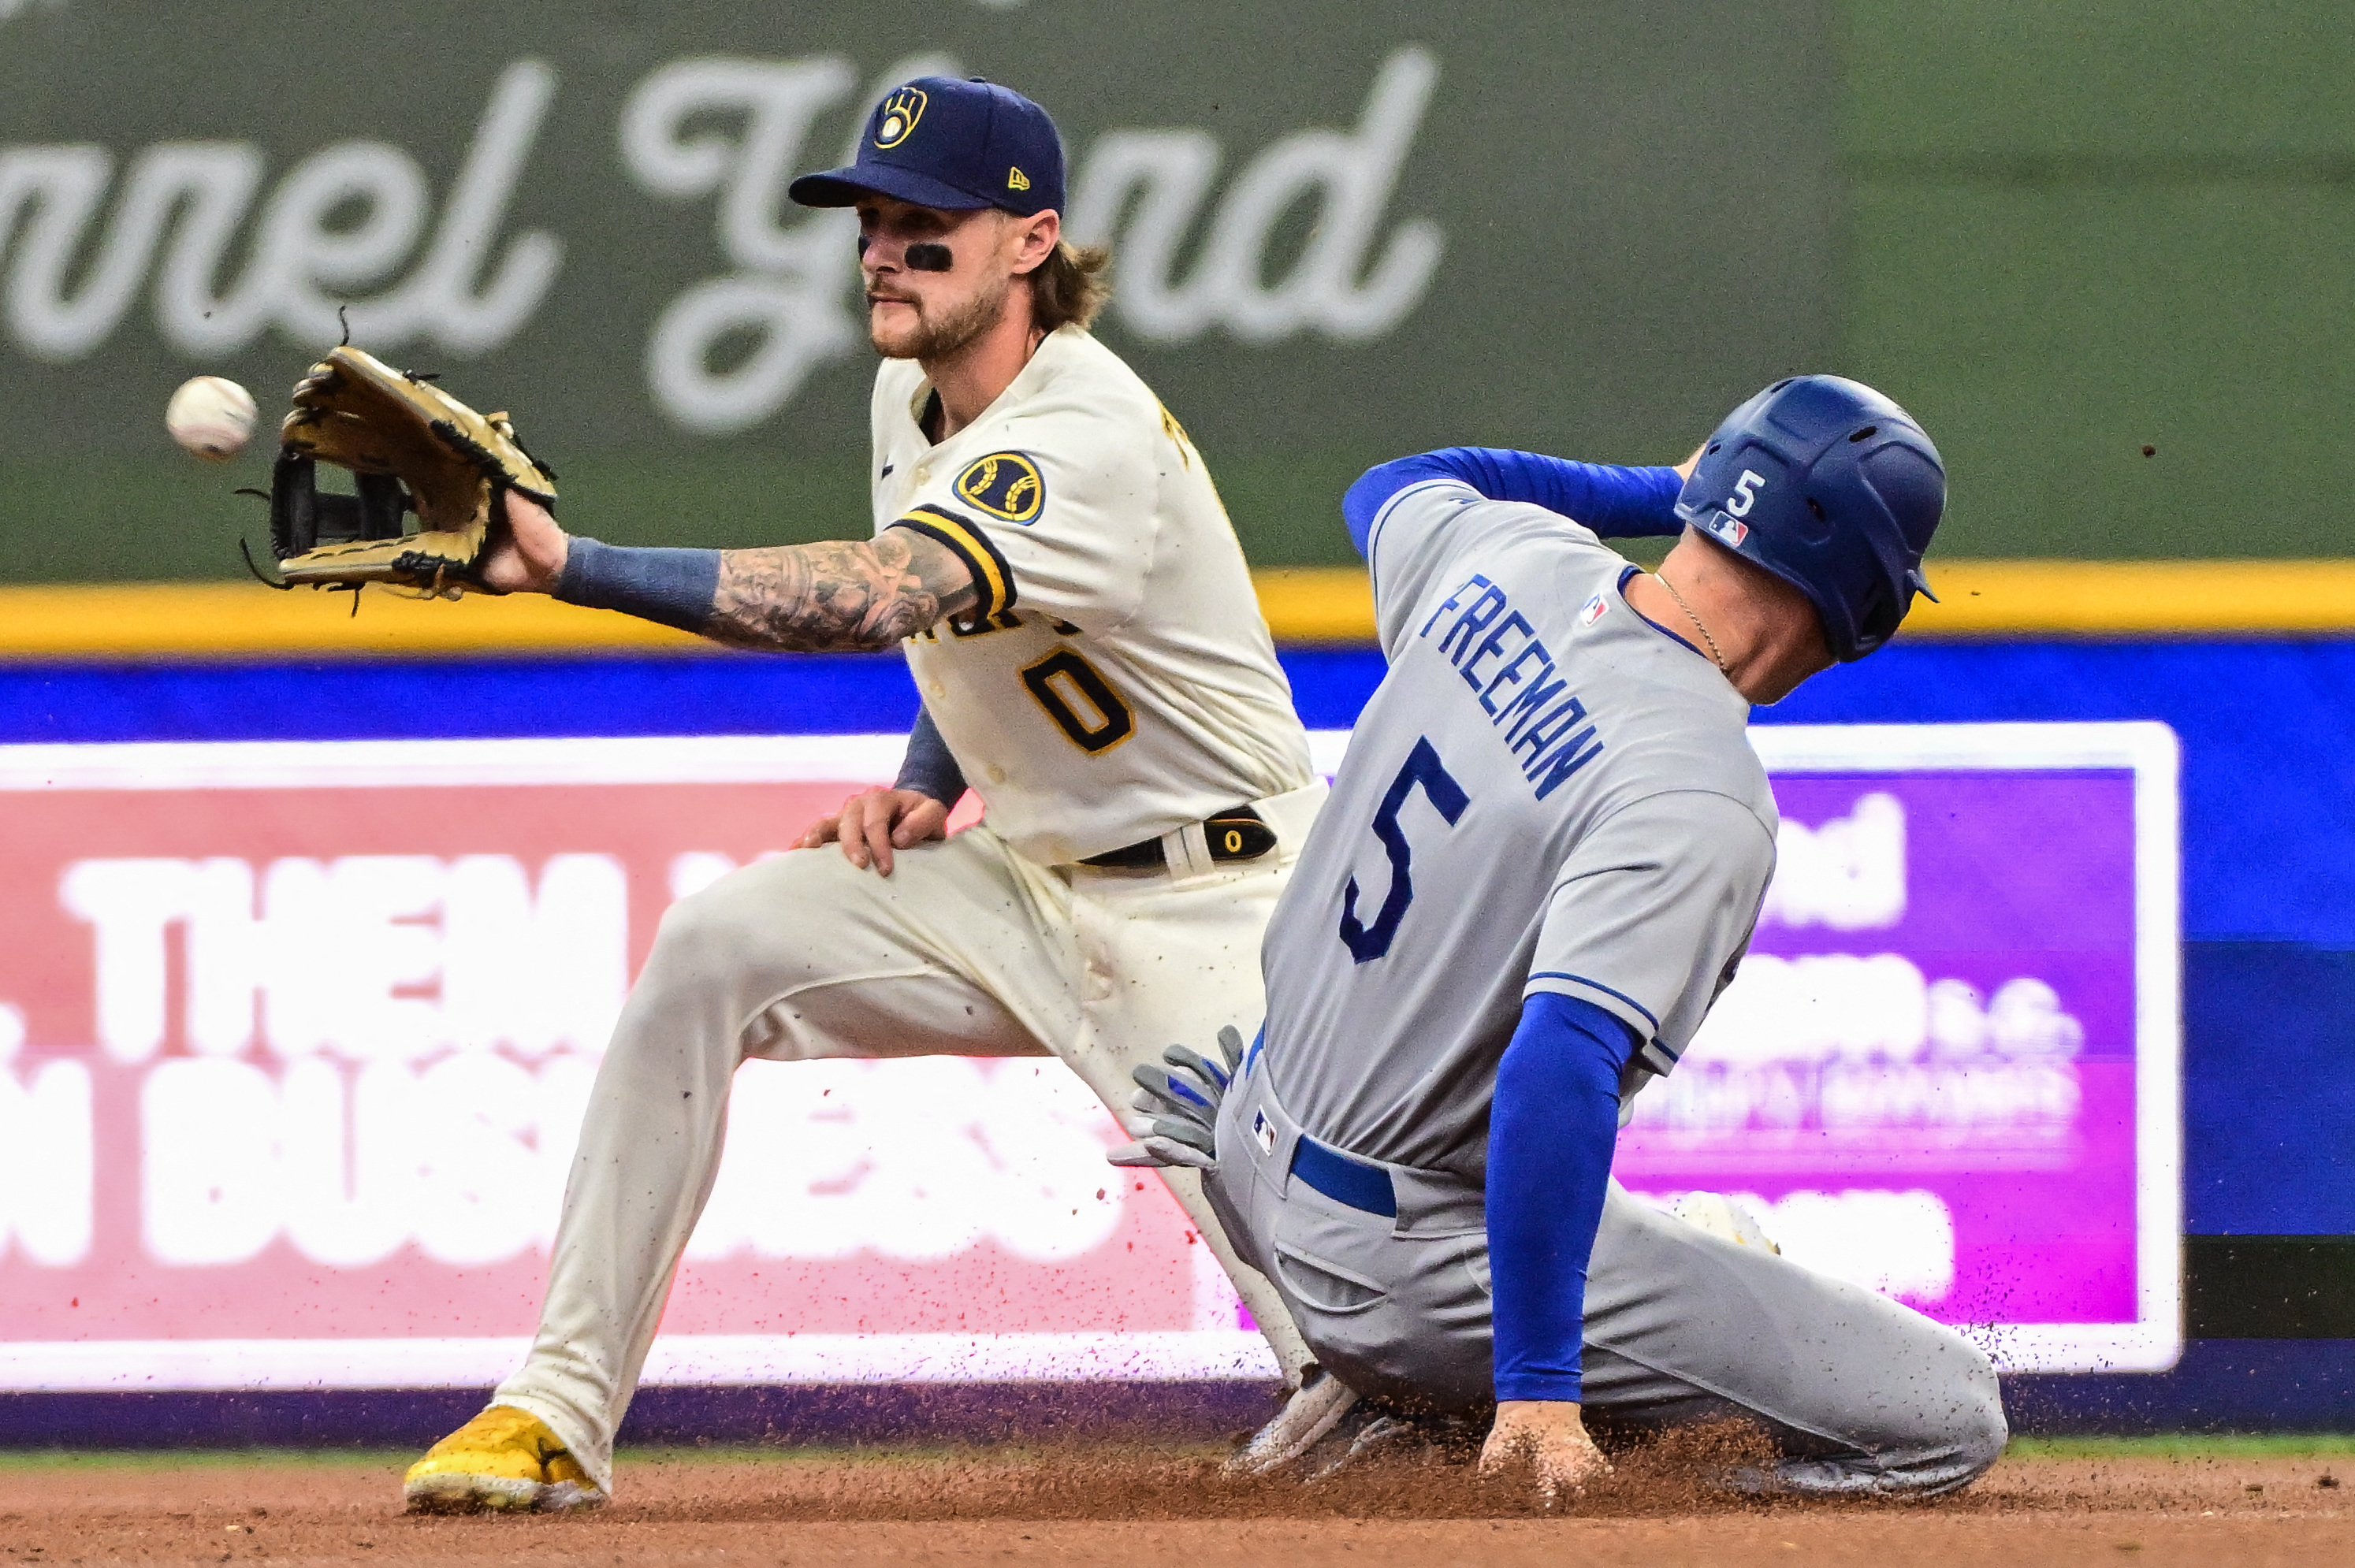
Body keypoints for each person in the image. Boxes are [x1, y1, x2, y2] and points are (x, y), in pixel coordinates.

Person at [400, 76, 1336, 1513]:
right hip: (1022, 881)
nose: (884, 252)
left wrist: (569, 565)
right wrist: (923, 783)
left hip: (1222, 907)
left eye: (926, 225)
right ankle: (554, 1407)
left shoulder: (1084, 423)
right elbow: (968, 633)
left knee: (1369, 1381)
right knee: (714, 948)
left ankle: (1705, 1348)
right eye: (869, 223)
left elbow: (879, 593)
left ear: (1032, 243)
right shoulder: (910, 390)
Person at [1119, 375, 2010, 1502]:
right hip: (1406, 1281)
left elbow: (1396, 483)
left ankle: (1406, 1389)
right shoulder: (1698, 785)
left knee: (1714, 1235)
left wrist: (1656, 489)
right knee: (1946, 1418)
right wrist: (1539, 1390)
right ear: (1864, 608)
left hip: (1244, 1147)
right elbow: (1557, 1071)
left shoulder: (1514, 558)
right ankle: (1457, 1433)